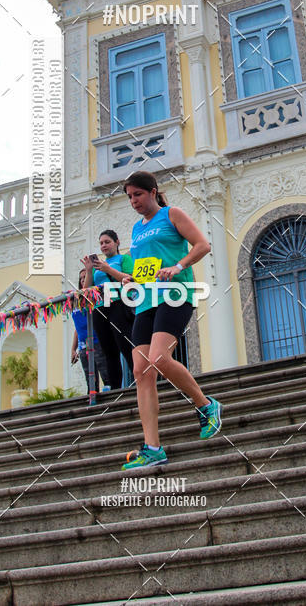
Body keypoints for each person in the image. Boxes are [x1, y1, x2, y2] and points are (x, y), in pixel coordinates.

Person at [120, 170, 222, 470]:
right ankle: (153, 447)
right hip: (146, 301)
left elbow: (203, 245)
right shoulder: (137, 230)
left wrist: (178, 266)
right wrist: (130, 280)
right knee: (140, 370)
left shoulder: (172, 214)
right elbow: (144, 267)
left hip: (176, 295)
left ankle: (206, 406)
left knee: (159, 359)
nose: (133, 201)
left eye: (137, 194)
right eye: (129, 197)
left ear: (153, 191)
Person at [81, 230, 135, 389]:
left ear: (117, 242)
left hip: (118, 304)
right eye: (101, 243)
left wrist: (108, 269)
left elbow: (130, 278)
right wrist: (90, 270)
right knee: (109, 352)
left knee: (126, 346)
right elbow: (86, 291)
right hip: (100, 308)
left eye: (107, 242)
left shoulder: (123, 258)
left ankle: (141, 382)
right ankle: (116, 388)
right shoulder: (98, 267)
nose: (104, 245)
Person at [72, 269, 110, 394]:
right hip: (83, 344)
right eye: (81, 278)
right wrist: (73, 349)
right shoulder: (75, 301)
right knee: (90, 380)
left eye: (85, 276)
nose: (83, 279)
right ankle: (93, 401)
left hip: (97, 340)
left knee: (105, 373)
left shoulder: (95, 298)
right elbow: (76, 328)